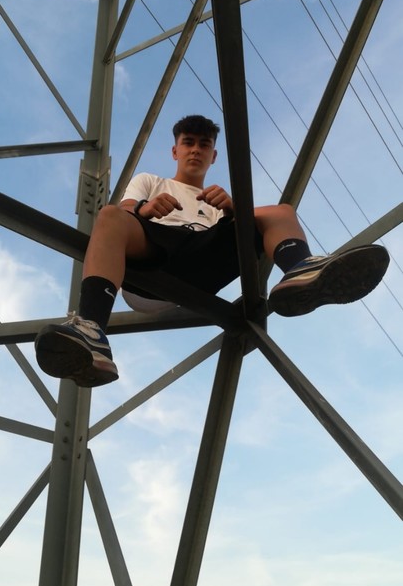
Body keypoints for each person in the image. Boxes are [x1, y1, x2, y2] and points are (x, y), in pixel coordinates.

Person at [35, 114, 390, 388]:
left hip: (202, 264)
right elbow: (127, 211)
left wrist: (235, 210)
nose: (195, 150)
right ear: (175, 151)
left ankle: (302, 271)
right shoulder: (151, 181)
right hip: (152, 260)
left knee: (278, 212)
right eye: (188, 143)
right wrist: (146, 209)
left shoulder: (219, 200)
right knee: (111, 216)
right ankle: (92, 329)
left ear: (213, 155)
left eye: (203, 145)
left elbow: (240, 234)